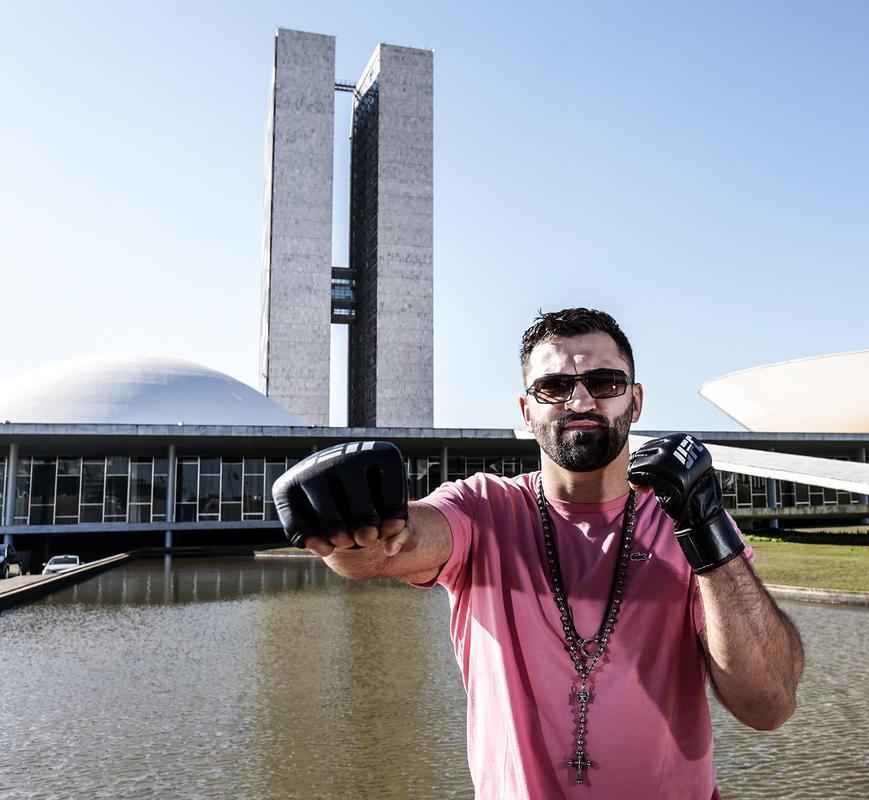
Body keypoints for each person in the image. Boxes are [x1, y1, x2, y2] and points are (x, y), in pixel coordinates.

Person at [273, 308, 804, 799]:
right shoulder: (484, 509)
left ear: (635, 401)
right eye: (554, 386)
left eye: (604, 383)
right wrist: (353, 518)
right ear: (526, 411)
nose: (580, 401)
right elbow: (388, 549)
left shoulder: (686, 519)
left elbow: (769, 705)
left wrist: (707, 530)